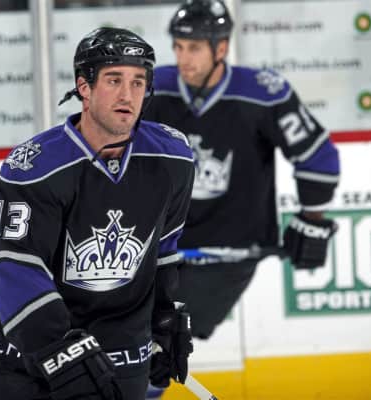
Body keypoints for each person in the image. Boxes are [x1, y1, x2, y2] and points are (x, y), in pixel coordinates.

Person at [0, 27, 195, 400]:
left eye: (137, 82)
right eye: (114, 80)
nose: (127, 95)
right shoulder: (36, 165)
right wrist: (59, 349)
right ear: (84, 86)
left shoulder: (173, 158)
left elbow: (163, 250)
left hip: (117, 359)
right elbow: (18, 266)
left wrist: (163, 320)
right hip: (16, 360)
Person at [143, 0, 340, 347]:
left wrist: (312, 217)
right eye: (178, 46)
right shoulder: (152, 89)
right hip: (160, 249)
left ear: (221, 48)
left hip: (228, 259)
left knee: (158, 341)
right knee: (134, 342)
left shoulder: (263, 93)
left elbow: (318, 157)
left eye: (194, 48)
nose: (183, 58)